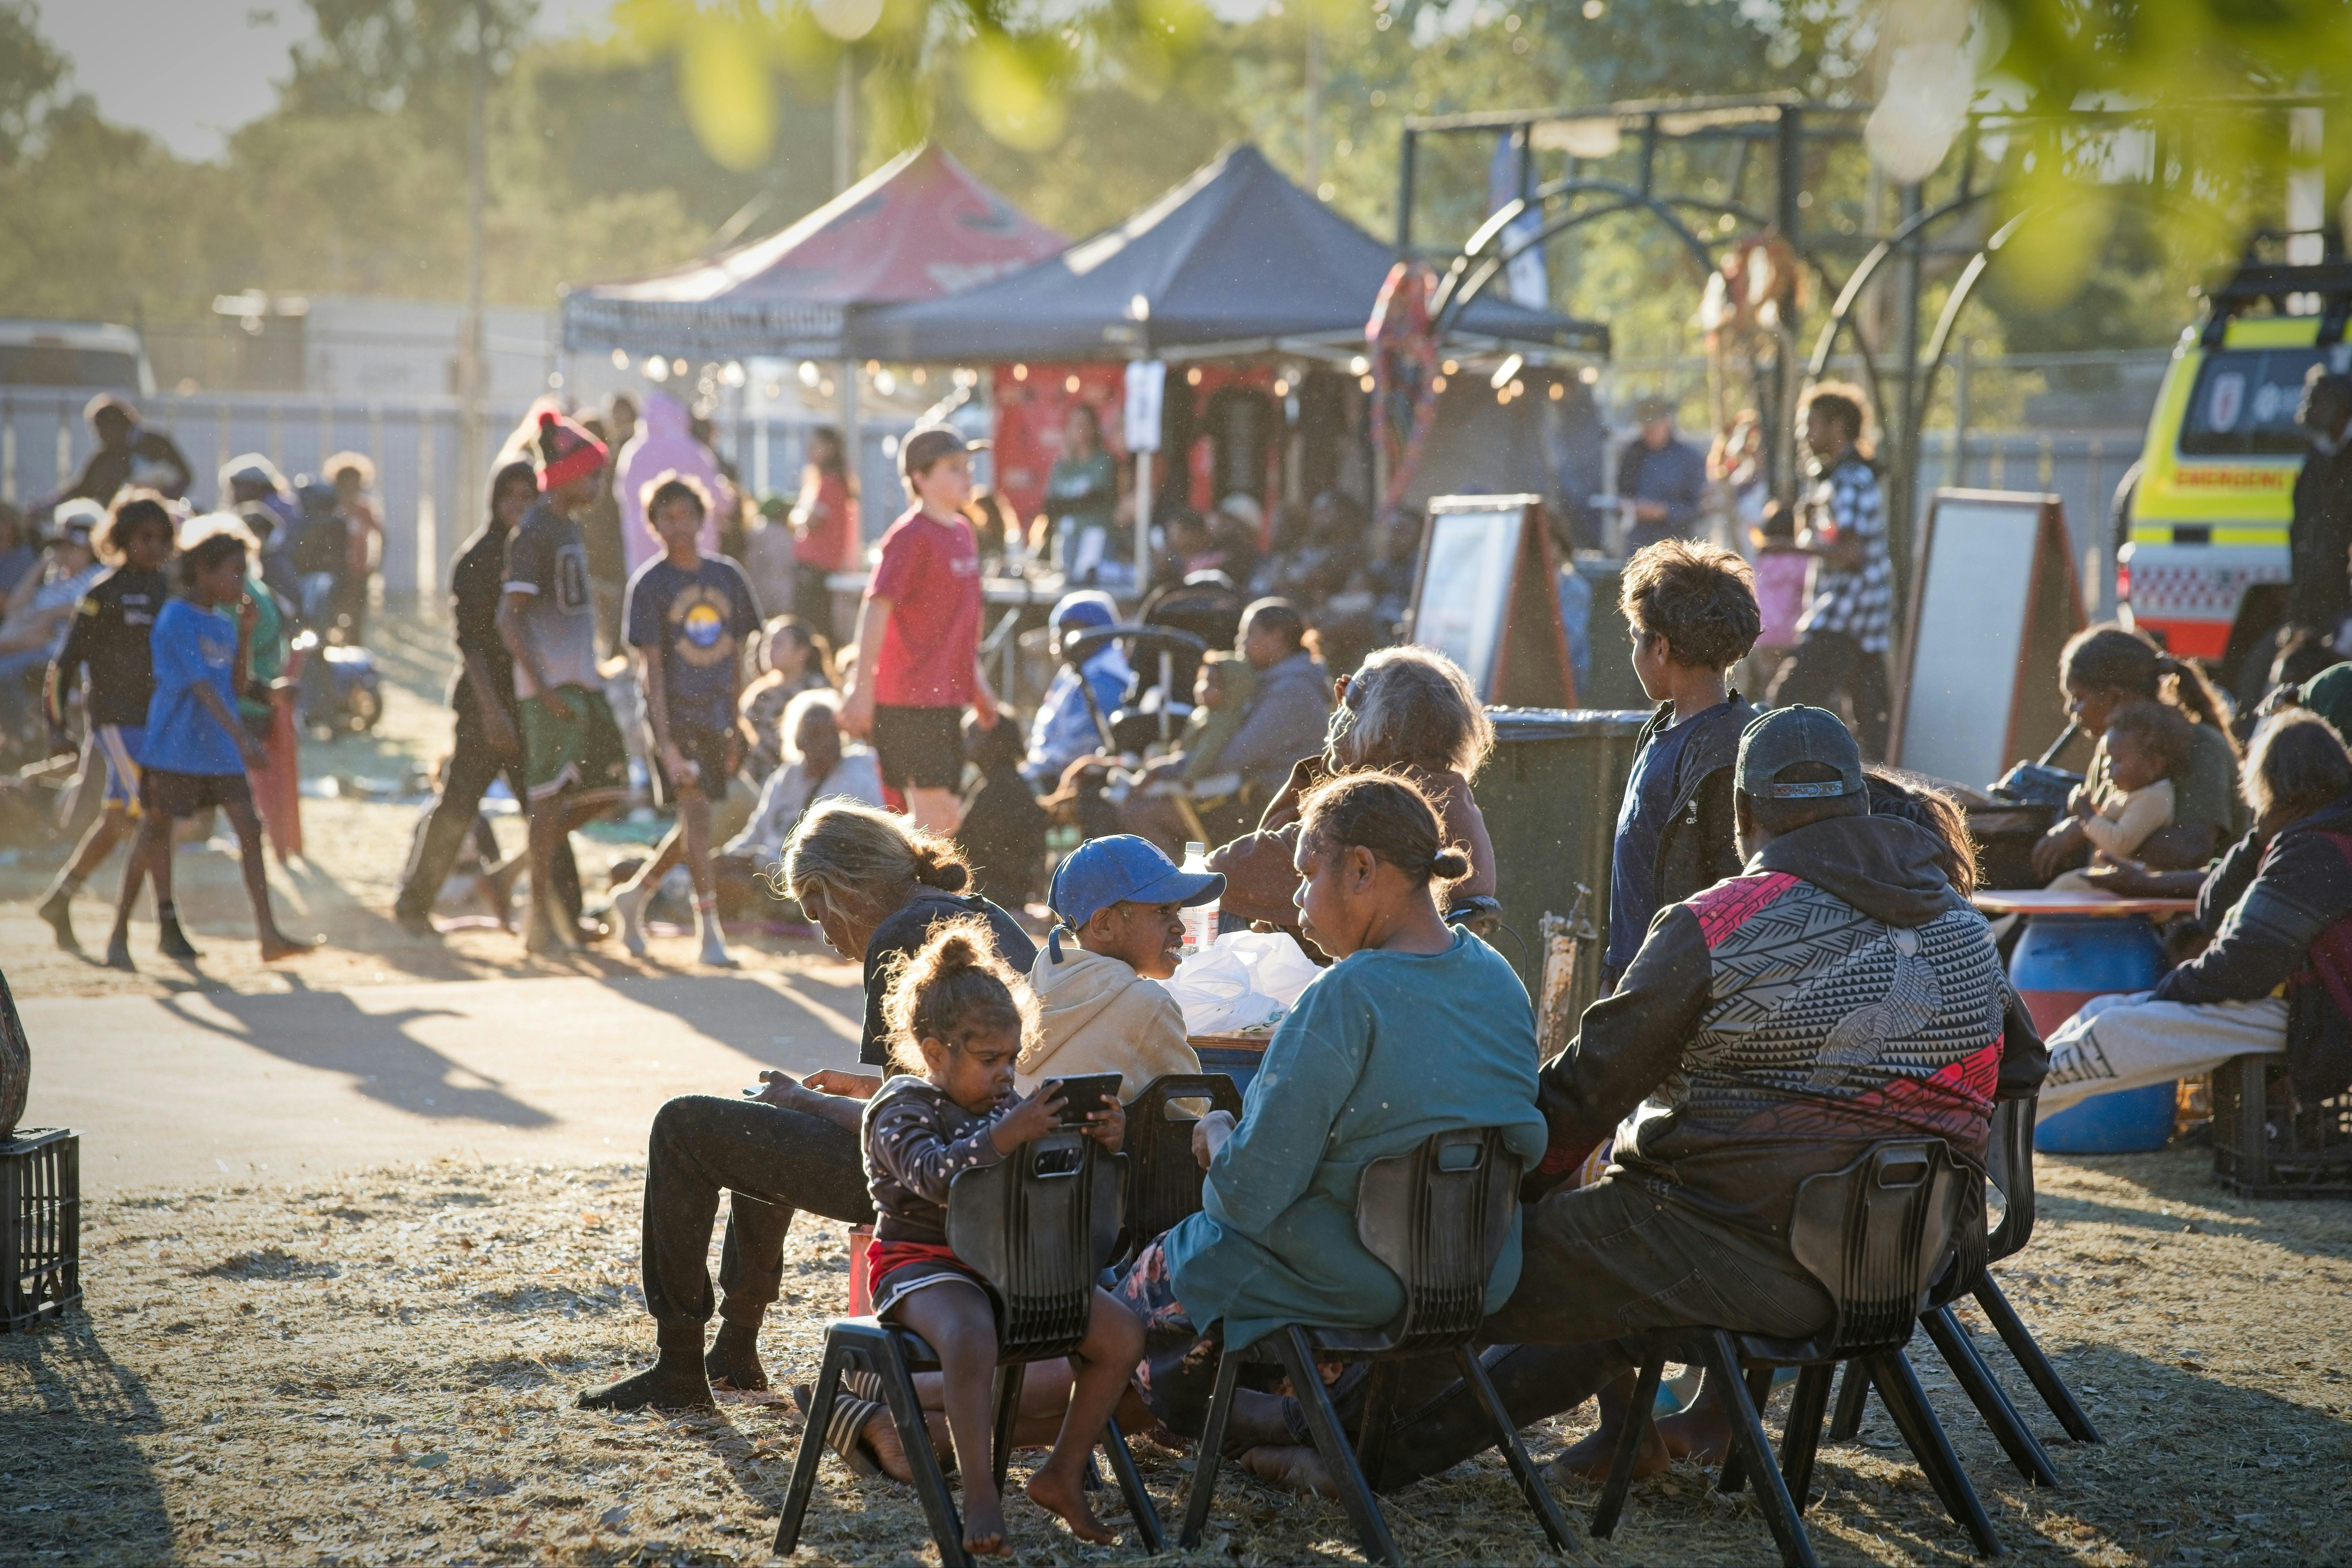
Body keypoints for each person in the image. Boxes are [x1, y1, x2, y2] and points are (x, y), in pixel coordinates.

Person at [1294, 705, 2044, 1497]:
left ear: (1743, 815)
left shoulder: (1717, 923)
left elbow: (1587, 1092)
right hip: (1918, 1259)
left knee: (1474, 1260)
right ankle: (1369, 1445)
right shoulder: (1963, 926)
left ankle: (1335, 1447)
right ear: (1859, 801)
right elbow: (2023, 1063)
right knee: (1613, 1270)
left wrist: (1499, 1191)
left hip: (1754, 1253)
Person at [1111, 773, 1548, 1468]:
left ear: (1363, 869)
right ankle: (1295, 1430)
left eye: (1308, 872)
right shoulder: (1497, 976)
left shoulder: (1345, 995)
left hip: (1361, 1274)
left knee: (1158, 1277)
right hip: (1476, 1272)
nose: (1296, 898)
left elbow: (1250, 1195)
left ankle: (1273, 1428)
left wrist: (1219, 1132)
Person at [578, 804, 1032, 1419]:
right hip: (1002, 1158)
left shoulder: (898, 935)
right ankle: (735, 1347)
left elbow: (911, 1125)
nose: (822, 933)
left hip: (942, 1180)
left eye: (817, 912)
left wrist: (807, 1100)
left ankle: (680, 1361)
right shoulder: (984, 913)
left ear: (842, 886)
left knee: (684, 1126)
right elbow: (951, 1084)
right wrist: (835, 1094)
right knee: (760, 1123)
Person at [2044, 711, 2352, 1115]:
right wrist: (2258, 839)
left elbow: (2246, 963)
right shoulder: (2321, 833)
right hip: (2309, 1006)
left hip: (2319, 1014)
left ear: (2270, 785)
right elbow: (2215, 909)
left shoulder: (2316, 848)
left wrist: (2170, 991)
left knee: (2107, 1031)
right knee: (2101, 1015)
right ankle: (1987, 1119)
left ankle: (1976, 1116)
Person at [101, 518, 315, 971]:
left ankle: (268, 935)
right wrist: (244, 739)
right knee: (154, 834)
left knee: (249, 830)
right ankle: (118, 934)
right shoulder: (177, 618)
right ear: (203, 571)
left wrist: (244, 638)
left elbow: (232, 686)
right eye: (235, 571)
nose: (242, 581)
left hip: (217, 750)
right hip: (176, 748)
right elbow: (202, 687)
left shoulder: (221, 624)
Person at [394, 460, 584, 937]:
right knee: (459, 803)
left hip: (531, 702)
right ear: (494, 501)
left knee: (545, 807)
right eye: (510, 496)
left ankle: (570, 915)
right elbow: (472, 646)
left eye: (528, 496)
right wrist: (493, 713)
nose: (519, 506)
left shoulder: (542, 550)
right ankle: (414, 904)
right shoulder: (478, 558)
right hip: (486, 704)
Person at [1211, 643, 1492, 942]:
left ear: (1382, 726)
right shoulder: (1453, 794)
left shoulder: (1373, 805)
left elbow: (1230, 871)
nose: (1336, 719)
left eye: (1348, 708)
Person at [609, 474, 762, 966]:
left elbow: (740, 657)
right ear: (652, 525)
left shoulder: (727, 577)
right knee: (696, 815)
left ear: (703, 519)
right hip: (676, 720)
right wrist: (666, 744)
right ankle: (709, 931)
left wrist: (738, 722)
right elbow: (650, 670)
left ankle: (636, 895)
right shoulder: (650, 585)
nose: (678, 526)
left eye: (686, 515)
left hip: (718, 718)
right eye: (667, 517)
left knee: (697, 823)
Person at [499, 409, 632, 954]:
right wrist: (545, 688)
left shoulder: (568, 528)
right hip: (550, 691)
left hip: (584, 683)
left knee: (610, 789)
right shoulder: (533, 531)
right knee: (547, 799)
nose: (598, 487)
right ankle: (536, 919)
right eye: (592, 476)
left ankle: (509, 873)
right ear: (566, 476)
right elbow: (509, 619)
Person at [1603, 539, 1762, 992]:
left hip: (1676, 994)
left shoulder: (1728, 752)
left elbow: (1728, 895)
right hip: (1637, 984)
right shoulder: (1663, 730)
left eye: (1637, 637)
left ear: (1661, 649)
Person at [838, 426, 998, 833]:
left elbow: (960, 628)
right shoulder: (909, 537)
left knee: (943, 819)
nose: (967, 476)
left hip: (944, 700)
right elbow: (876, 608)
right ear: (920, 478)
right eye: (954, 468)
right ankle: (899, 889)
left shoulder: (963, 532)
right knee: (936, 818)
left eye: (968, 466)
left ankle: (893, 883)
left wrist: (978, 686)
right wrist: (861, 689)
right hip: (907, 701)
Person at [33, 492, 175, 950]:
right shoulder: (103, 594)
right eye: (144, 537)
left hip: (155, 725)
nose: (154, 547)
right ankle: (157, 925)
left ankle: (61, 897)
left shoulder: (169, 591)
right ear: (120, 540)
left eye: (162, 538)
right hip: (116, 721)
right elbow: (65, 665)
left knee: (118, 822)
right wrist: (57, 728)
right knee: (154, 815)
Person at [2029, 625, 2240, 880]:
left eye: (2078, 697)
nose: (2070, 710)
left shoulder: (2201, 746)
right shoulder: (2111, 749)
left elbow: (2192, 851)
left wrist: (2087, 827)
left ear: (2117, 699)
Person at [1021, 835, 1218, 1099]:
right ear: (1104, 925)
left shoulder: (1023, 989)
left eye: (1178, 912)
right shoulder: (1149, 1003)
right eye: (1162, 911)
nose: (1181, 927)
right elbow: (1193, 1112)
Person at [1767, 383, 1895, 758]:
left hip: (1846, 614)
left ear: (1838, 427)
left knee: (1789, 700)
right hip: (1861, 616)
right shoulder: (1837, 479)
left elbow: (1851, 552)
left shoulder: (1851, 479)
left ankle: (1783, 776)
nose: (1806, 436)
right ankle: (1879, 785)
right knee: (1871, 717)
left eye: (1813, 426)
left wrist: (1791, 547)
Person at [718, 688, 883, 908]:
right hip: (770, 871)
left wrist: (757, 863)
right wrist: (728, 857)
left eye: (831, 733)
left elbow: (836, 858)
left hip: (824, 882)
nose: (825, 743)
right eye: (815, 735)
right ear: (798, 741)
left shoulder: (859, 775)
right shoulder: (786, 777)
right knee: (717, 874)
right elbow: (756, 834)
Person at [2045, 700, 2191, 891]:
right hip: (2116, 885)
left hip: (2130, 888)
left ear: (2155, 765)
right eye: (2107, 758)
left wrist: (2087, 815)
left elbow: (2119, 842)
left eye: (2117, 760)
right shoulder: (2134, 793)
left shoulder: (2153, 799)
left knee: (2065, 885)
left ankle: (2016, 921)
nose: (2106, 767)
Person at [1020, 590, 1127, 790]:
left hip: (1076, 781)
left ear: (1098, 632)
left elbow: (1079, 746)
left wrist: (1032, 771)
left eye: (1071, 629)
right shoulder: (1073, 672)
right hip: (1049, 772)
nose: (1060, 638)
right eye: (1059, 629)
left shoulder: (1105, 678)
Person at [615, 390, 724, 582]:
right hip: (693, 545)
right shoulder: (693, 449)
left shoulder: (633, 452)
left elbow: (621, 495)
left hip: (645, 542)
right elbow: (717, 498)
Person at [2285, 368, 2352, 648]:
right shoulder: (2316, 459)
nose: (2307, 409)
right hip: (2317, 602)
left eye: (2316, 401)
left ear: (2341, 407)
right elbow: (2302, 533)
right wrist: (2298, 609)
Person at [43, 395, 191, 511]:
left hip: (156, 518)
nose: (99, 437)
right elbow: (84, 487)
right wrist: (50, 503)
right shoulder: (105, 455)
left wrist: (163, 501)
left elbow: (186, 476)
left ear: (118, 424)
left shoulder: (156, 443)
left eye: (101, 430)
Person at [736, 616, 834, 783]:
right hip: (762, 782)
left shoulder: (820, 691)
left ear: (802, 652)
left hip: (811, 780)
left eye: (778, 644)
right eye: (768, 644)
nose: (769, 650)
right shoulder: (759, 695)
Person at [581, 393, 639, 654]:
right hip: (605, 549)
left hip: (608, 548)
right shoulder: (613, 456)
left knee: (608, 615)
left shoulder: (618, 454)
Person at [1617, 395, 1708, 554]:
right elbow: (1622, 493)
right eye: (1645, 427)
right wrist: (1629, 508)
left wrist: (1663, 512)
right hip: (1639, 547)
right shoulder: (1633, 454)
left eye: (1653, 426)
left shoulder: (1689, 459)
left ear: (1668, 422)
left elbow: (1698, 509)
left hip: (1678, 547)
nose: (1648, 432)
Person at [792, 426, 860, 634]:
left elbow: (811, 520)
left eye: (816, 446)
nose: (809, 451)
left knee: (812, 626)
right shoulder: (831, 482)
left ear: (831, 449)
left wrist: (795, 518)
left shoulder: (829, 483)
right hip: (821, 565)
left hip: (816, 566)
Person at [1044, 402, 1118, 580]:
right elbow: (1050, 505)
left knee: (1088, 582)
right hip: (1067, 535)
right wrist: (1077, 502)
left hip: (1095, 537)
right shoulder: (1063, 466)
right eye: (1076, 425)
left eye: (1085, 424)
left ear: (1094, 428)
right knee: (1066, 582)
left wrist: (1069, 504)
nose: (1081, 430)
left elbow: (1095, 499)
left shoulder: (1103, 461)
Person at [1744, 500, 1806, 697]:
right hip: (1790, 632)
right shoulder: (1800, 561)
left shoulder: (1761, 560)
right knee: (1786, 684)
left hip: (1763, 631)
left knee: (1767, 681)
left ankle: (1766, 715)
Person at [324, 453, 383, 645]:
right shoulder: (331, 508)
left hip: (358, 572)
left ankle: (355, 653)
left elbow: (381, 534)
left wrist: (376, 564)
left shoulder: (363, 509)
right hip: (336, 571)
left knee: (356, 616)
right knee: (333, 613)